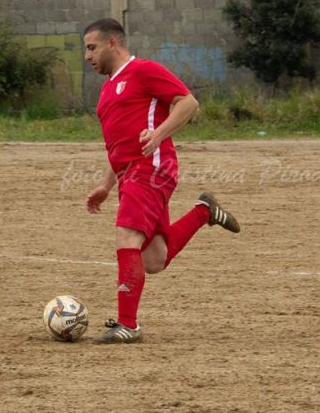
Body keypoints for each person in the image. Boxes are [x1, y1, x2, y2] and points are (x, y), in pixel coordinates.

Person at [82, 18, 240, 343]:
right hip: (130, 177)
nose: (87, 56)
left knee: (126, 237)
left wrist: (158, 134)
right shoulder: (107, 89)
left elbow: (188, 102)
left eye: (91, 47)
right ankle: (203, 211)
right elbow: (119, 145)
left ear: (113, 43)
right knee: (154, 260)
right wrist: (106, 185)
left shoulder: (143, 70)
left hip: (151, 169)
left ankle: (128, 325)